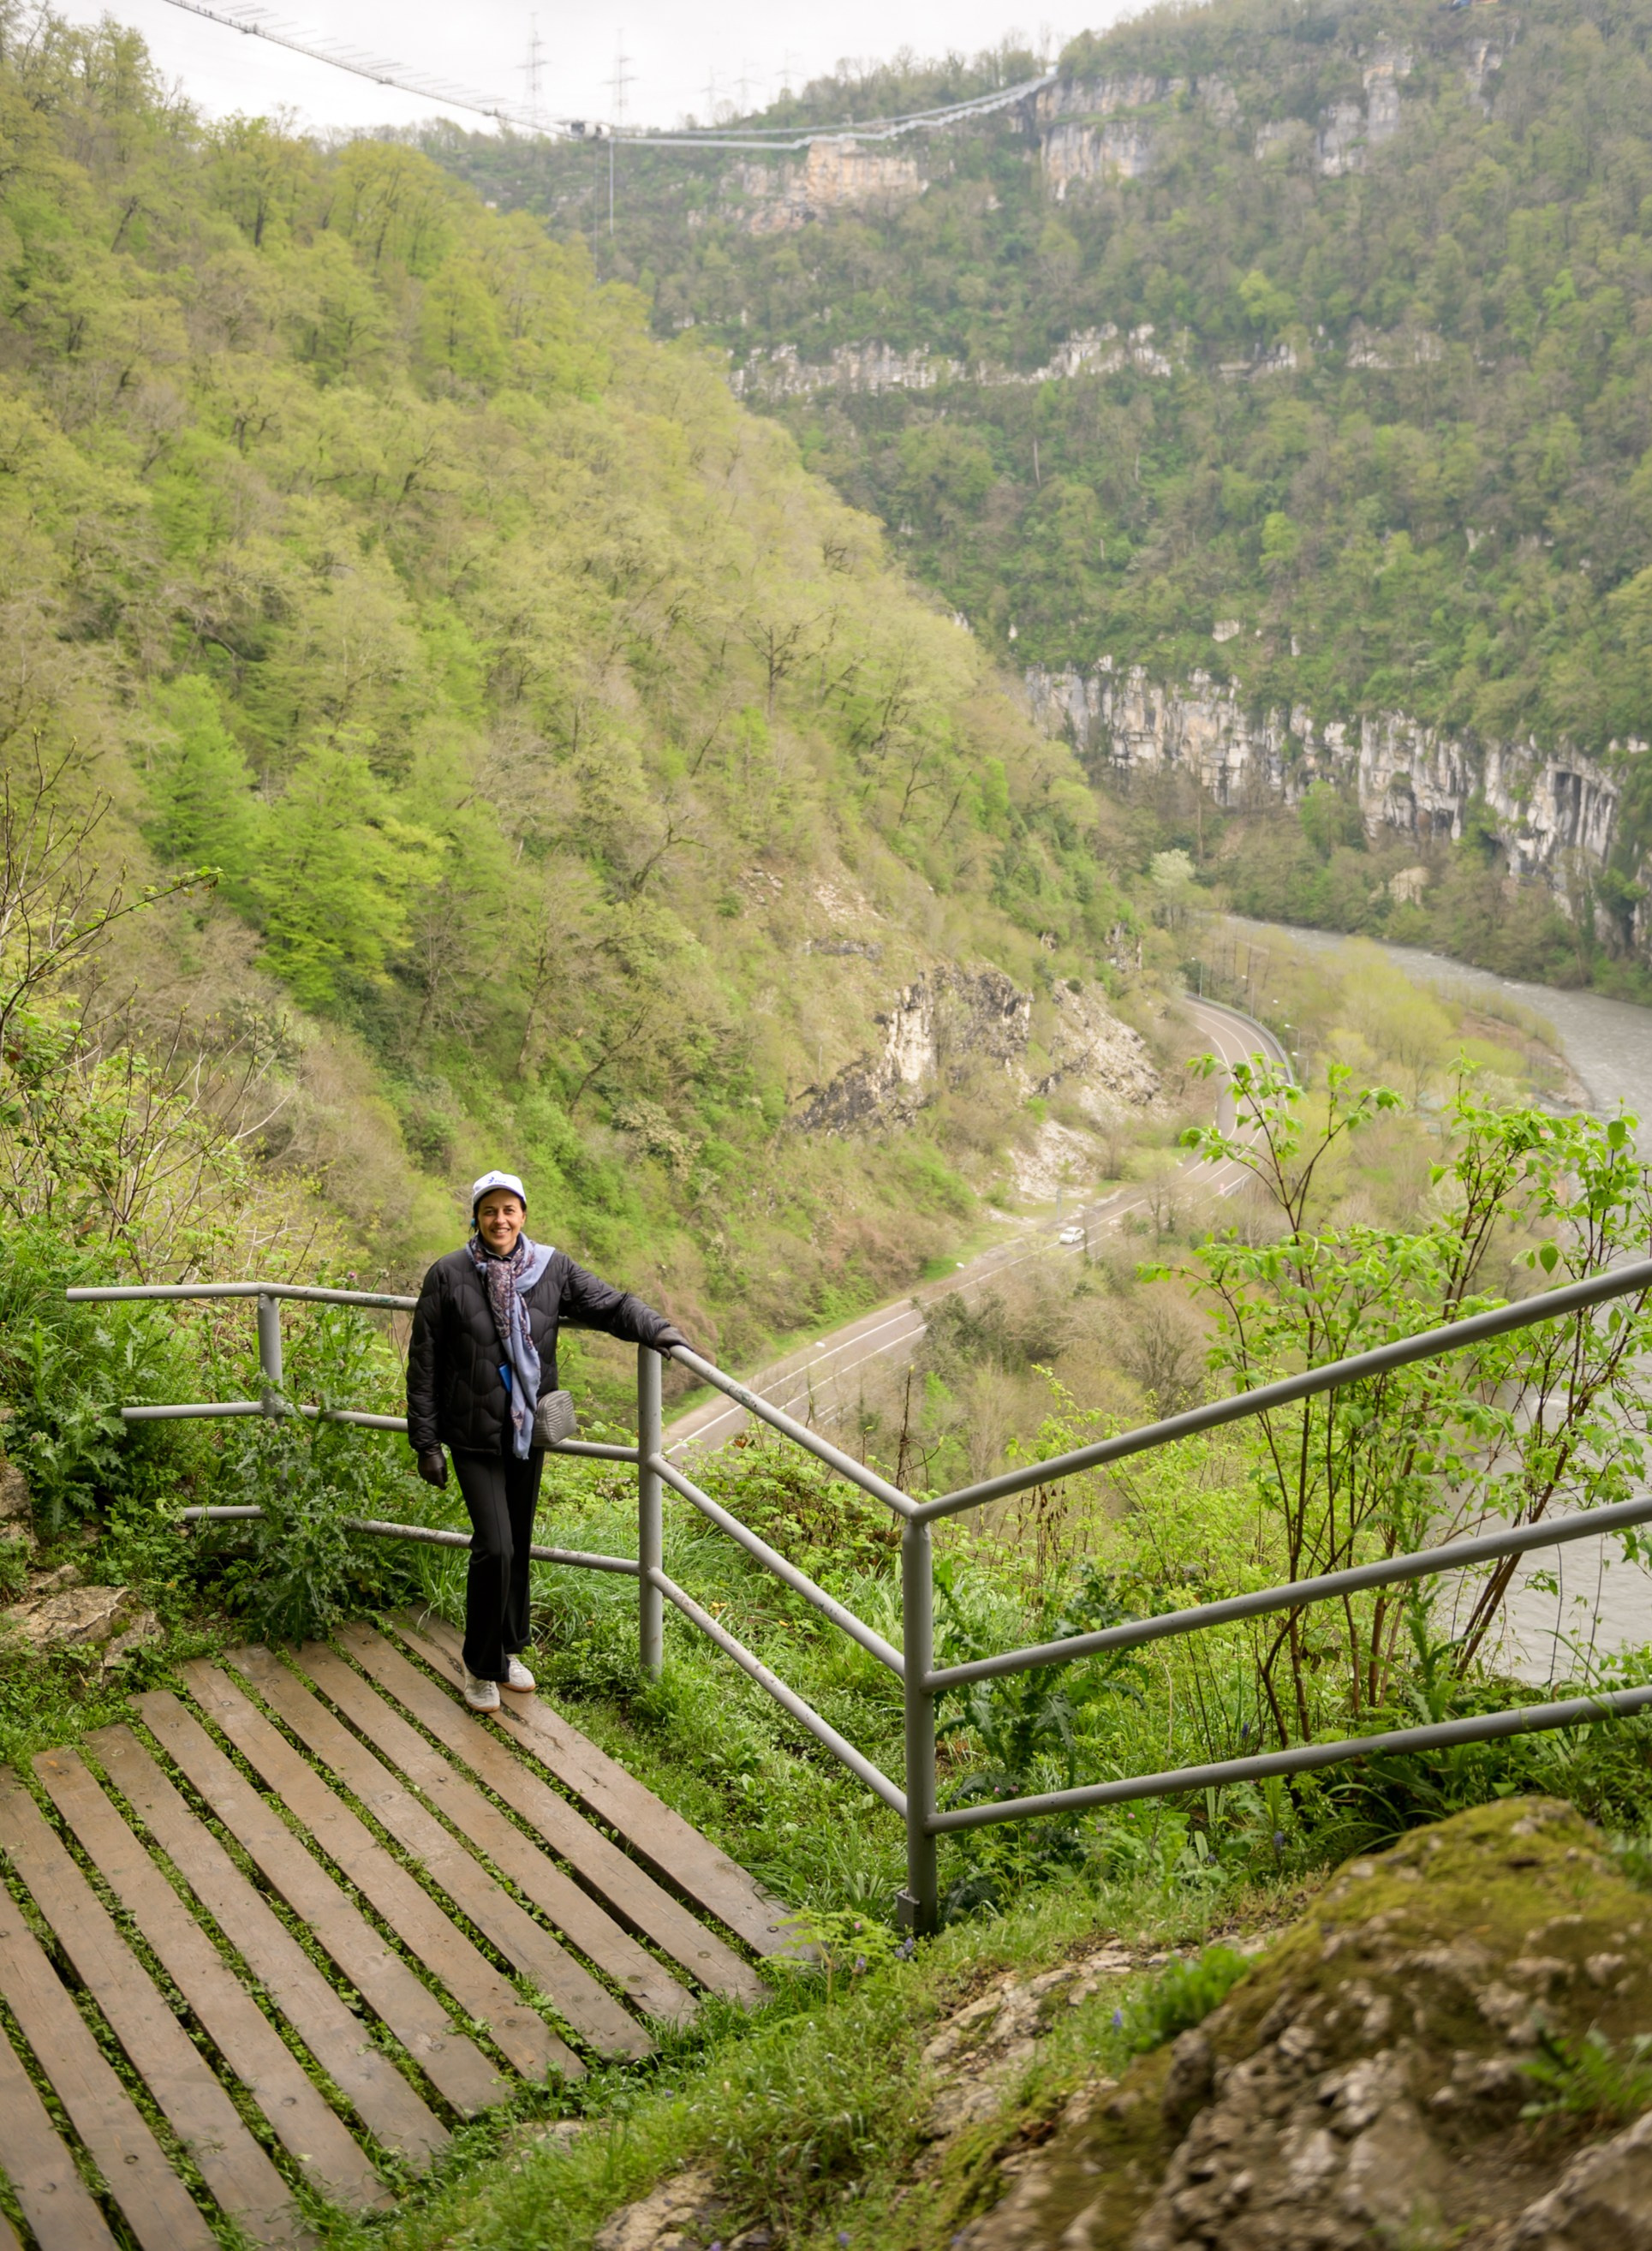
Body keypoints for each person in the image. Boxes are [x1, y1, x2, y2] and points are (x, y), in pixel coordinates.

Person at [406, 1169, 690, 1712]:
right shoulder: (447, 1275)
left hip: (524, 1432)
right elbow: (423, 1364)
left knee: (518, 1544)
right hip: (469, 1434)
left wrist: (657, 1329)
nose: (500, 1220)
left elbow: (610, 1305)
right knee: (495, 1546)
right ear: (476, 1217)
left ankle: (508, 1649)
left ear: (524, 1215)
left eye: (509, 1210)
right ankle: (480, 1666)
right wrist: (426, 1442)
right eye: (489, 1210)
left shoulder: (550, 1269)